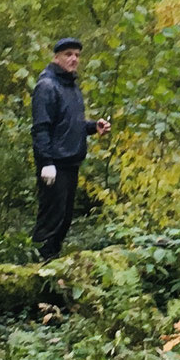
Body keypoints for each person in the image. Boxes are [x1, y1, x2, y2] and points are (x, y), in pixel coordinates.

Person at [32, 35, 110, 258]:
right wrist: (46, 162)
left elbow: (69, 124)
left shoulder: (71, 86)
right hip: (54, 165)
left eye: (77, 55)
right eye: (68, 54)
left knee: (65, 219)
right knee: (51, 219)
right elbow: (41, 128)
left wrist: (93, 126)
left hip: (71, 162)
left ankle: (52, 263)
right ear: (56, 57)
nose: (74, 59)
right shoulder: (47, 86)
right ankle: (39, 267)